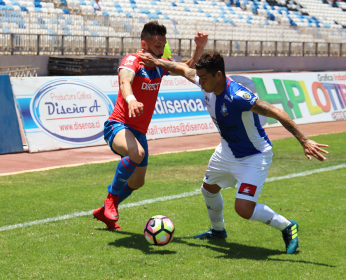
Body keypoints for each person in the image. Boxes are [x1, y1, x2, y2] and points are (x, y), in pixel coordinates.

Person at [137, 50, 329, 254]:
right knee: (208, 189)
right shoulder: (205, 81)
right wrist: (156, 61)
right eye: (199, 77)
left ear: (218, 75)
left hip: (254, 156)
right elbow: (183, 69)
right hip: (227, 151)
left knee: (243, 209)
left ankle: (287, 226)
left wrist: (304, 140)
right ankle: (218, 231)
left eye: (203, 78)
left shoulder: (238, 96)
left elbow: (276, 111)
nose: (199, 82)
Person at [93, 21, 208, 230]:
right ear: (144, 44)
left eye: (163, 45)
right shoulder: (132, 60)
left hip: (138, 132)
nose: (161, 49)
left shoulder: (160, 65)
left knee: (137, 182)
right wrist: (131, 100)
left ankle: (105, 212)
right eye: (156, 45)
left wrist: (199, 47)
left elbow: (186, 69)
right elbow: (125, 82)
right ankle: (111, 199)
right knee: (135, 153)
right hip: (117, 125)